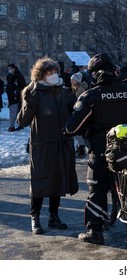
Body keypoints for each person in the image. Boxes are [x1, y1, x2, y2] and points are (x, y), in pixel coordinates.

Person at [65, 53, 127, 245]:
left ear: (94, 74)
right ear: (114, 70)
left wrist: (67, 132)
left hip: (102, 149)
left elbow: (72, 127)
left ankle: (95, 231)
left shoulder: (90, 96)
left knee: (97, 187)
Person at [16, 57, 79, 234]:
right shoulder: (32, 91)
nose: (53, 75)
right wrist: (30, 103)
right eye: (49, 72)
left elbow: (74, 113)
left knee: (58, 179)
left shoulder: (64, 90)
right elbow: (22, 120)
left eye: (55, 72)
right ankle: (35, 217)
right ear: (41, 74)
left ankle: (54, 216)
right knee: (40, 181)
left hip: (62, 143)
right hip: (42, 144)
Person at [70, 72, 89, 157]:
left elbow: (78, 102)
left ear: (77, 80)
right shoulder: (76, 87)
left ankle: (81, 148)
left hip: (80, 111)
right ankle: (80, 147)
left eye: (73, 80)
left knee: (78, 132)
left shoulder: (80, 89)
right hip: (80, 111)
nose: (71, 81)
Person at [7, 64, 27, 131]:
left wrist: (19, 92)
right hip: (14, 96)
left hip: (20, 96)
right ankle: (16, 125)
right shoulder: (10, 76)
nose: (9, 70)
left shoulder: (19, 76)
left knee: (19, 111)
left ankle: (20, 125)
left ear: (14, 68)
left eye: (10, 68)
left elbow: (23, 86)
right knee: (15, 111)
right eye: (8, 69)